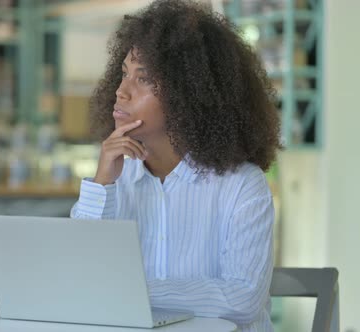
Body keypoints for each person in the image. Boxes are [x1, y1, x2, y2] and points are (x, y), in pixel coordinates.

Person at [70, 1, 281, 331]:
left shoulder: (242, 185)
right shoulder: (115, 179)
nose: (121, 91)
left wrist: (133, 290)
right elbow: (76, 279)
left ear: (190, 92)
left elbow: (242, 300)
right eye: (124, 74)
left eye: (144, 79)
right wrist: (102, 184)